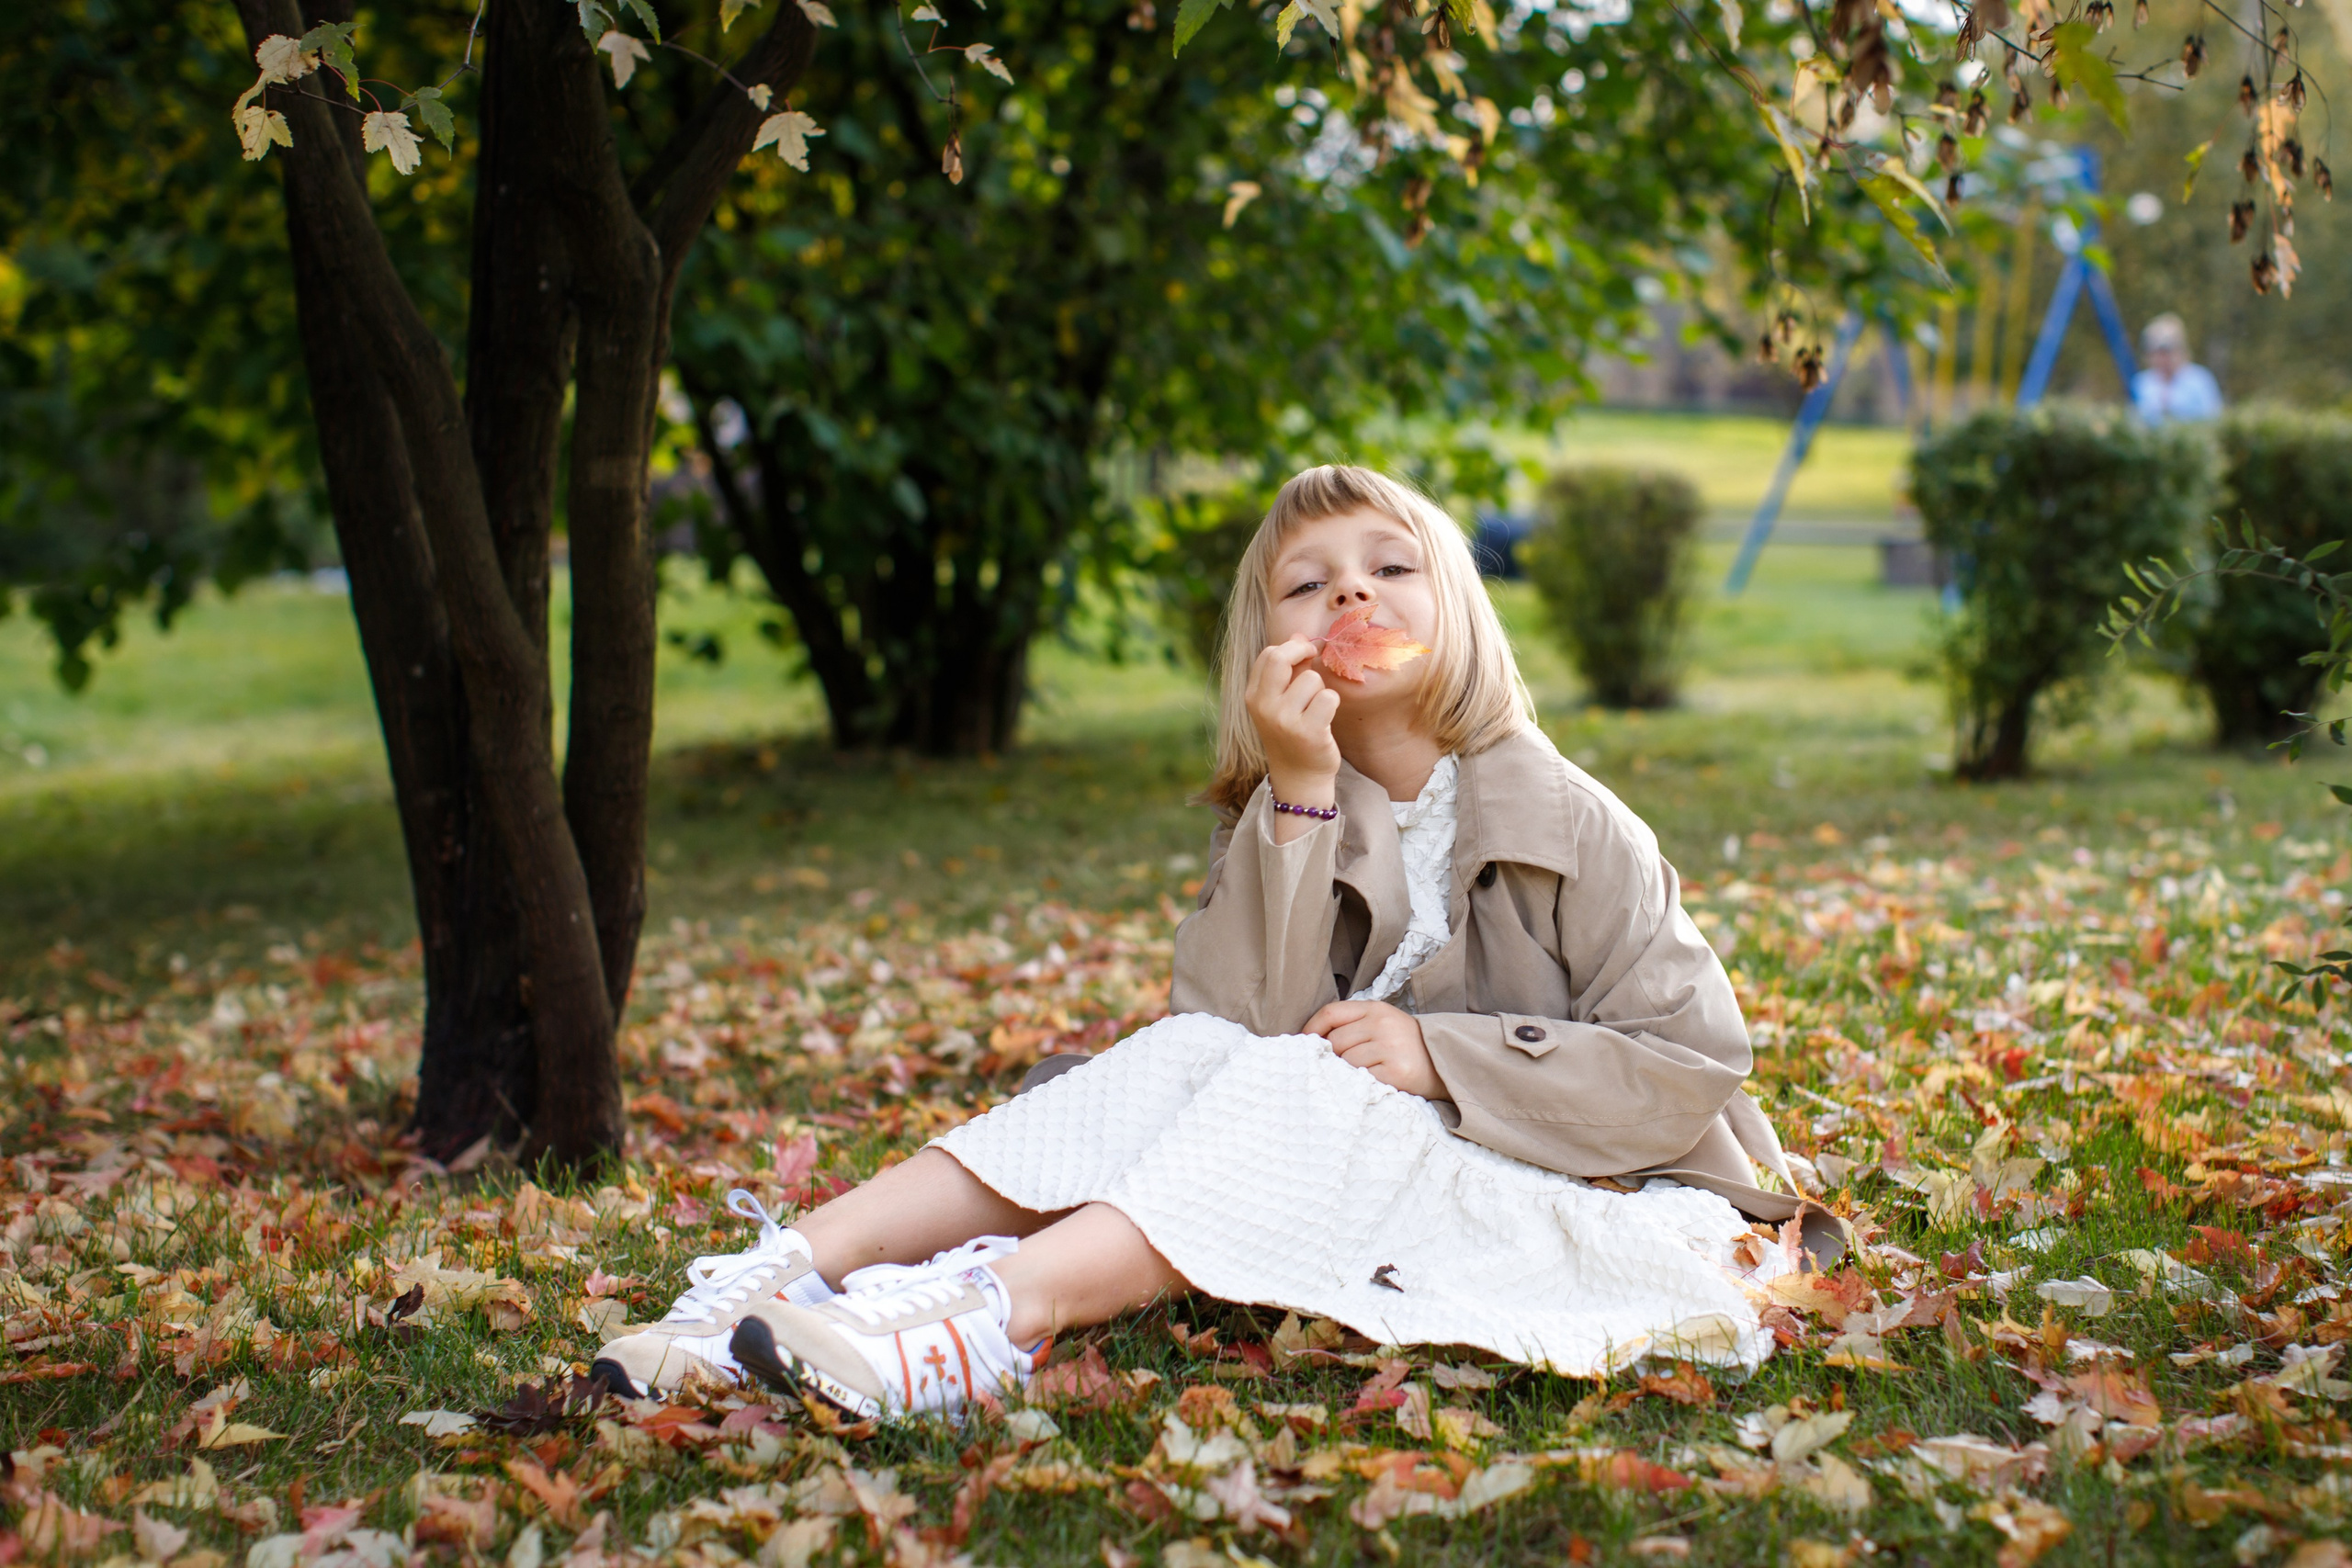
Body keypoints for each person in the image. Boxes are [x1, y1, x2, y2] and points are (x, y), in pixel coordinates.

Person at [593, 465, 1835, 1420]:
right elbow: (1224, 1035)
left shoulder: (1573, 821)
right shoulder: (1286, 803)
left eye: (1391, 566)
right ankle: (773, 1281)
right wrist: (1297, 792)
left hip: (1582, 1184)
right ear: (1267, 649)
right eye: (1309, 583)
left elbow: (1690, 1062)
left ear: (1458, 613)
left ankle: (973, 1321)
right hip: (1316, 1149)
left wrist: (1445, 1054)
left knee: (1309, 1073)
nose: (1351, 591)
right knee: (1194, 1051)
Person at [2130, 313, 2222, 423]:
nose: (2162, 358)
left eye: (2167, 351)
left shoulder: (2200, 380)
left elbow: (2214, 419)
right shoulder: (2141, 382)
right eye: (2156, 352)